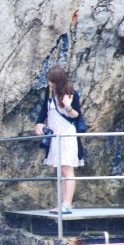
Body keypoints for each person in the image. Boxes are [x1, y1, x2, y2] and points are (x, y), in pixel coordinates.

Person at [34, 65, 84, 214]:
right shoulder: (49, 92)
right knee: (62, 170)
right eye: (49, 81)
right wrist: (39, 123)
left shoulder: (70, 93)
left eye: (53, 81)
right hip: (55, 134)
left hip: (67, 134)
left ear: (59, 81)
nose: (50, 84)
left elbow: (77, 115)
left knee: (68, 169)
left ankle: (67, 204)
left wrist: (68, 106)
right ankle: (63, 203)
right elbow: (45, 109)